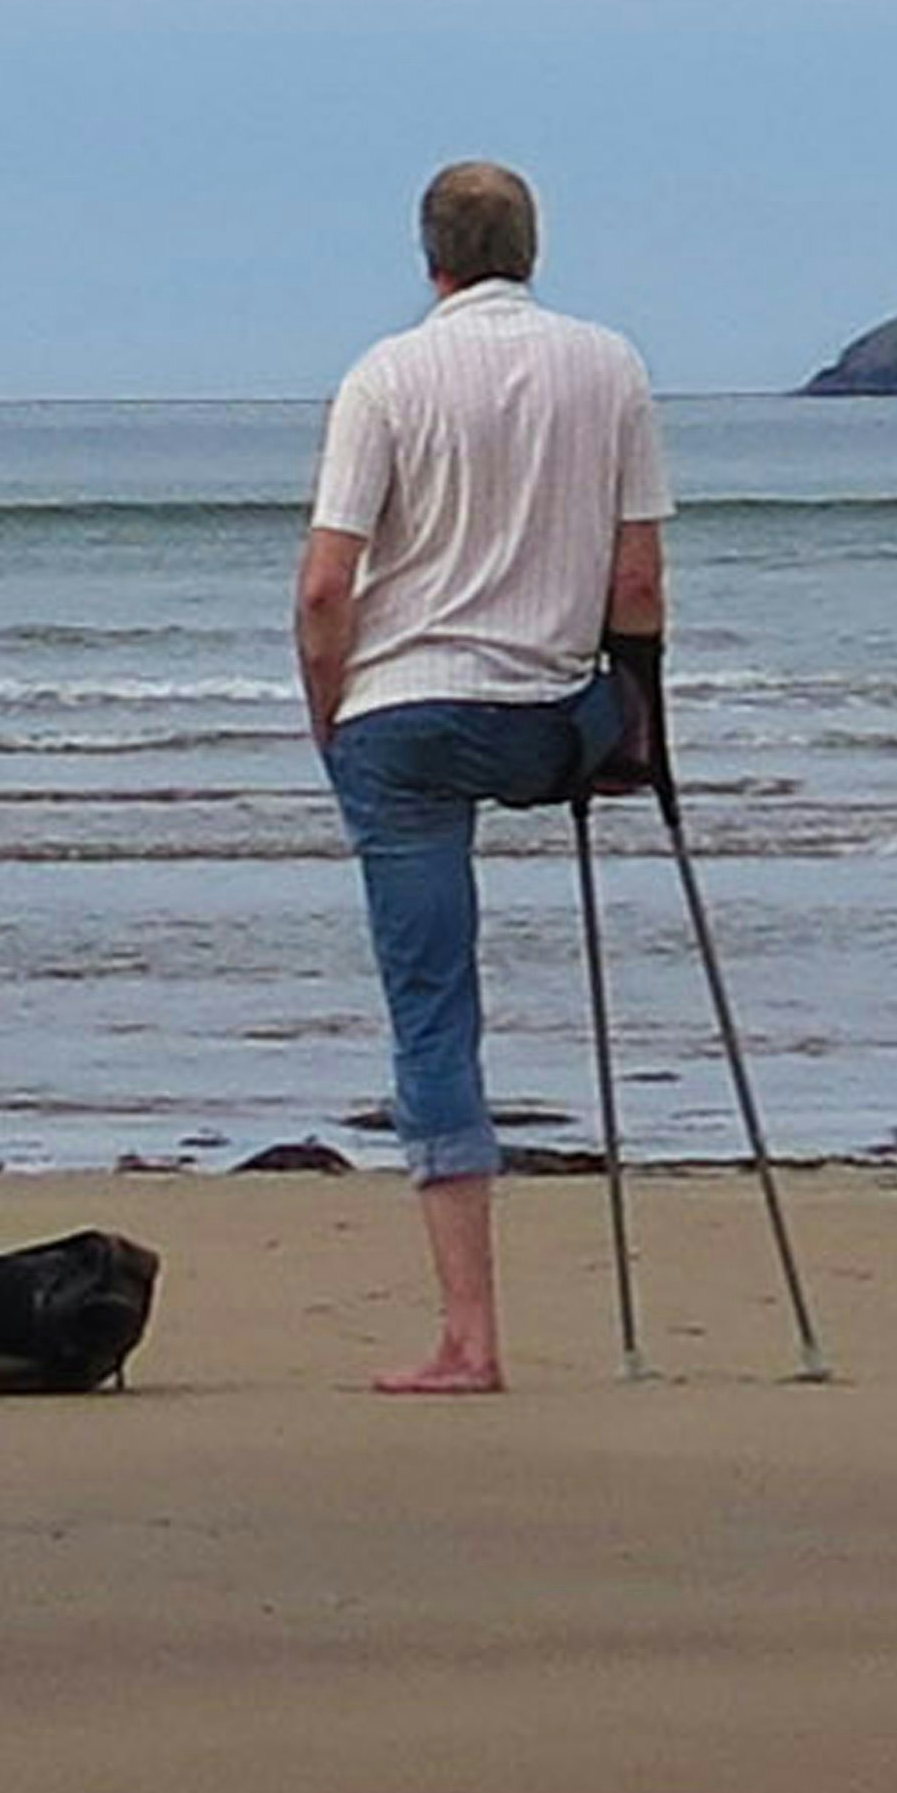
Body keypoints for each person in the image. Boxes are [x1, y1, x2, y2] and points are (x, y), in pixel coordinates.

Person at [295, 158, 668, 1397]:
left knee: (433, 1010)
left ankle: (471, 1338)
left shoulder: (384, 376)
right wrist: (637, 739)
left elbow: (325, 588)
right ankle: (476, 1334)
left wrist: (327, 719)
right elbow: (637, 588)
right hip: (550, 719)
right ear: (532, 249)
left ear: (430, 257)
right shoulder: (608, 365)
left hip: (405, 720)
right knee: (573, 716)